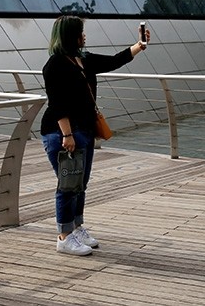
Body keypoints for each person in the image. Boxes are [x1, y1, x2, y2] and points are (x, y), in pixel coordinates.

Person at [41, 16, 149, 255]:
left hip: (84, 130)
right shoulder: (55, 65)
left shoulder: (82, 59)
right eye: (81, 32)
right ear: (71, 35)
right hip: (61, 133)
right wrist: (67, 135)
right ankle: (64, 236)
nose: (85, 36)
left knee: (80, 184)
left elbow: (112, 61)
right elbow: (57, 104)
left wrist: (138, 46)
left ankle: (77, 228)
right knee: (68, 185)